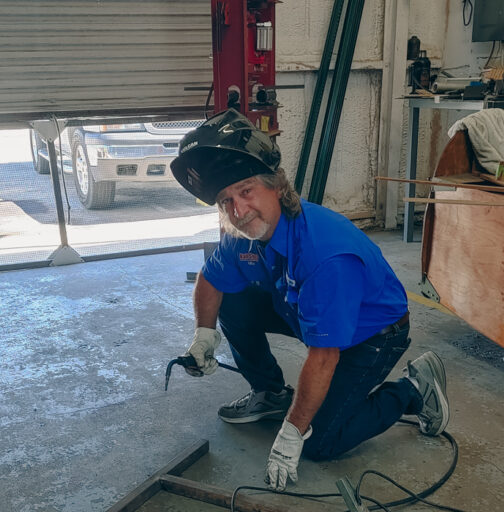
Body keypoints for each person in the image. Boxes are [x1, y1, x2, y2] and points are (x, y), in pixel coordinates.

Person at [170, 109, 448, 490]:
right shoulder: (243, 235)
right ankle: (269, 392)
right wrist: (203, 336)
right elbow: (210, 279)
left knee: (319, 441)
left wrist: (292, 432)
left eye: (246, 191)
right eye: (225, 200)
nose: (238, 211)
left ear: (276, 186)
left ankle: (413, 390)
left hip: (372, 335)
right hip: (306, 312)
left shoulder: (324, 255)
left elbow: (324, 356)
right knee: (231, 300)